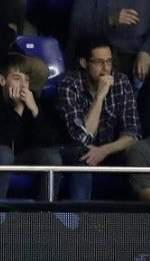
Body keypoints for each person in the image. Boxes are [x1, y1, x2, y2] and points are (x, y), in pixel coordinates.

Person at [55, 41, 140, 200]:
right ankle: (80, 215)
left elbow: (133, 133)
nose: (106, 68)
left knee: (138, 153)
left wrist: (104, 150)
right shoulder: (69, 85)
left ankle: (137, 213)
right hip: (72, 151)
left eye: (109, 61)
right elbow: (83, 138)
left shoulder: (121, 81)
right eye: (99, 62)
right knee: (84, 154)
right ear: (84, 63)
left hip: (109, 149)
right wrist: (99, 97)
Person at [0, 53, 64, 201]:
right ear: (2, 80)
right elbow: (1, 141)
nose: (24, 85)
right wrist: (18, 109)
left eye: (27, 80)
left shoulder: (31, 99)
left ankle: (45, 212)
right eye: (17, 78)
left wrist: (35, 110)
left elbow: (48, 142)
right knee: (4, 153)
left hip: (19, 156)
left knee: (52, 157)